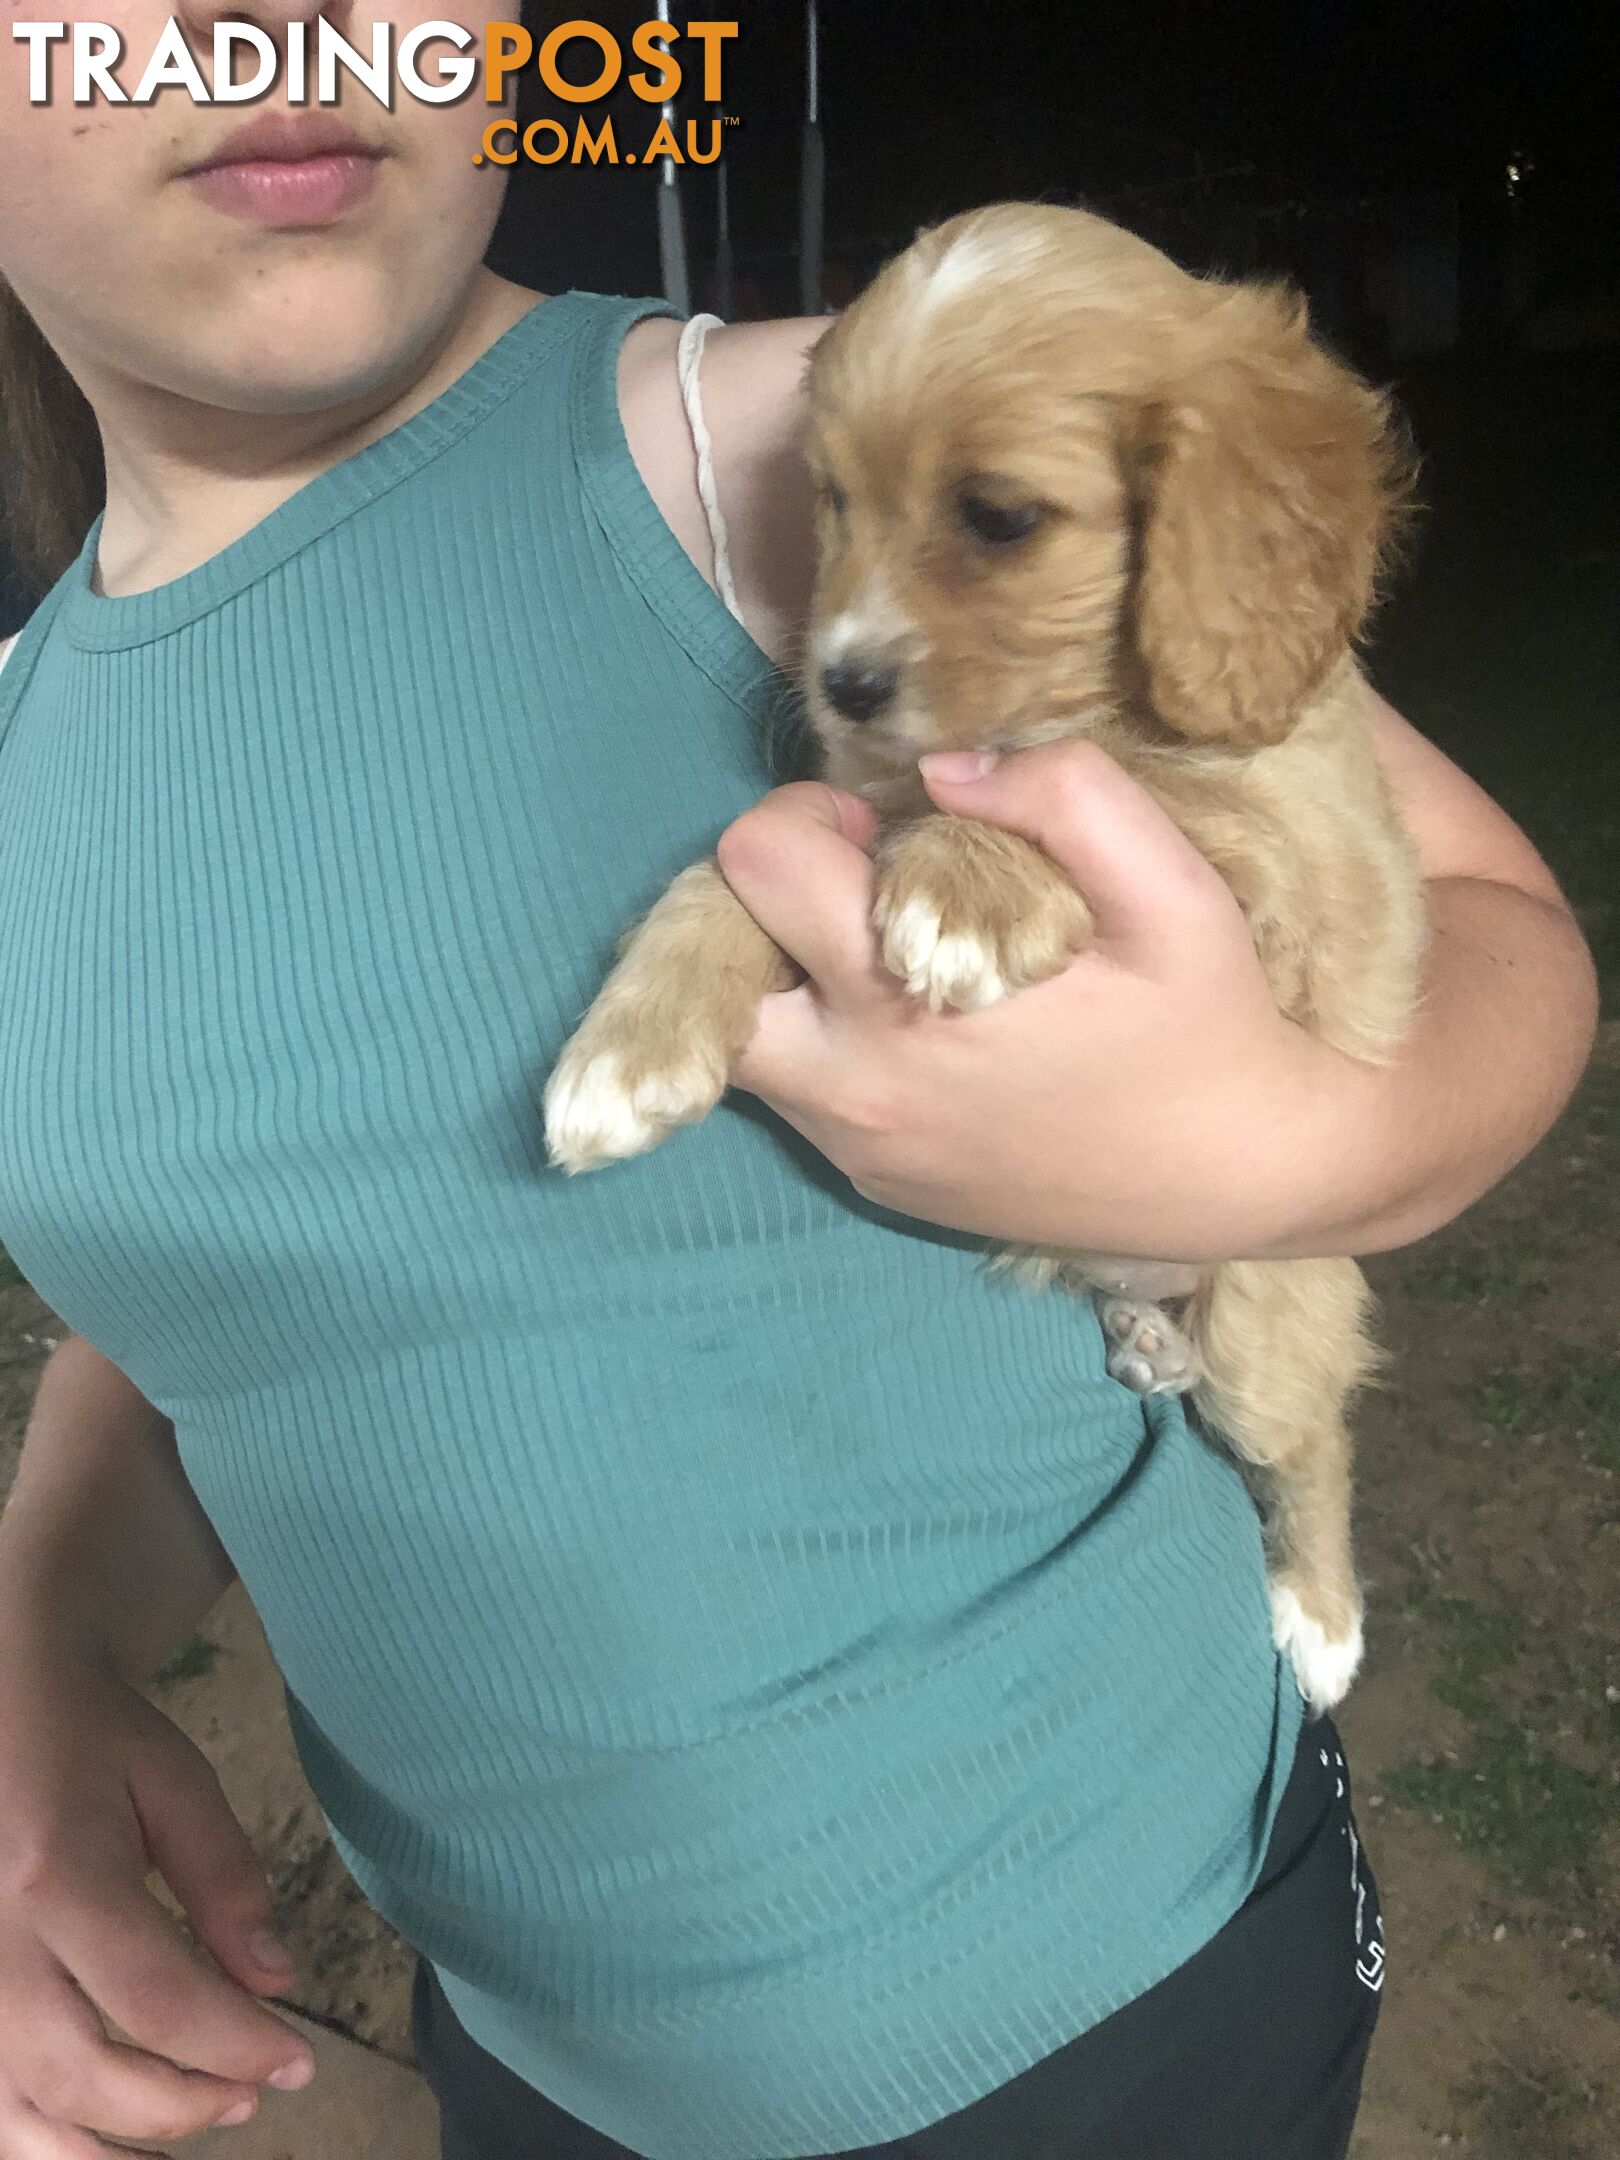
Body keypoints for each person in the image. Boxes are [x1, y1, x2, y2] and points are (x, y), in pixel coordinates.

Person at [0, 7, 1598, 2158]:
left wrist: (1298, 1145)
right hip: (529, 2052)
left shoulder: (785, 447)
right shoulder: (22, 732)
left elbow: (1498, 928)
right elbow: (233, 1270)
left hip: (1113, 2002)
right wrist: (41, 1647)